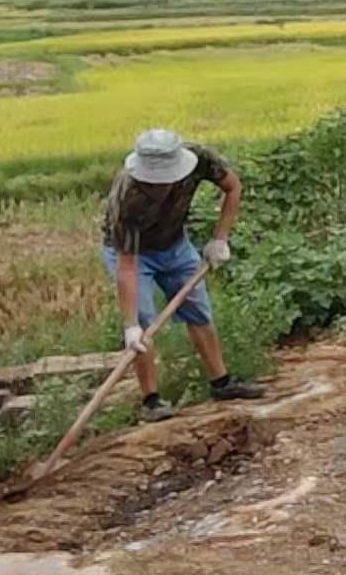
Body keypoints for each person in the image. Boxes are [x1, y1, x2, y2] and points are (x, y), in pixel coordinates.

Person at [101, 129, 264, 423]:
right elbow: (127, 265)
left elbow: (233, 188)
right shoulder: (128, 194)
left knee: (198, 310)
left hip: (175, 244)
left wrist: (220, 239)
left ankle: (222, 383)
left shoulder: (200, 159)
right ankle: (151, 401)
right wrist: (130, 326)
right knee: (144, 322)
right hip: (133, 254)